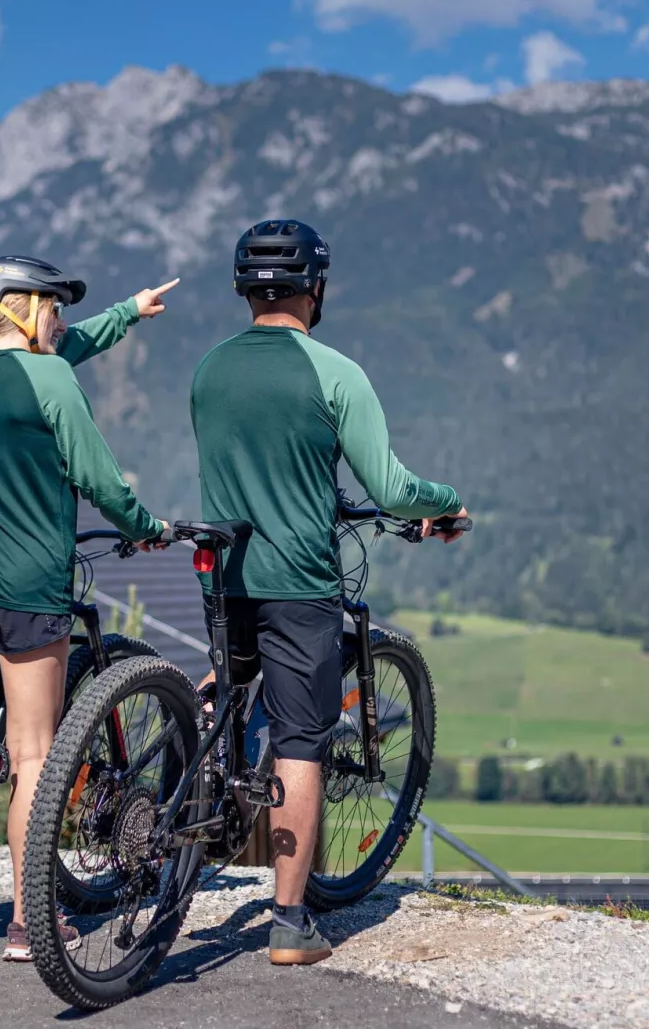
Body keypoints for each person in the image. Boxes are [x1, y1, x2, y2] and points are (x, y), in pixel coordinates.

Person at [188, 220, 468, 966]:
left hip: (224, 578)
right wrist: (445, 501)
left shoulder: (209, 369)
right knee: (302, 740)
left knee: (230, 680)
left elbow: (253, 463)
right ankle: (289, 922)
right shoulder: (335, 372)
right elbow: (391, 487)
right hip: (297, 581)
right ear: (316, 287)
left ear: (245, 289)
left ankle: (190, 797)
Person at [0, 255, 177, 962]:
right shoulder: (48, 378)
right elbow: (97, 475)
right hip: (28, 588)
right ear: (26, 308)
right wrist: (145, 526)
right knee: (34, 756)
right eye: (53, 307)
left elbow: (62, 353)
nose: (60, 319)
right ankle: (31, 922)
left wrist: (128, 312)